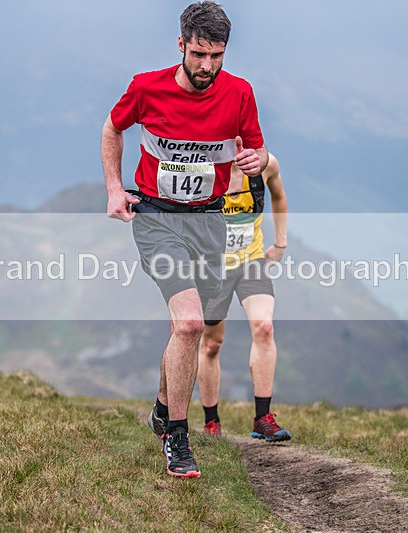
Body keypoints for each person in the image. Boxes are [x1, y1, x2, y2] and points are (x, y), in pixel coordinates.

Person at [101, 1, 267, 478]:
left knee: (188, 328)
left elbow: (255, 146)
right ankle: (177, 437)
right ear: (181, 45)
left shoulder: (239, 94)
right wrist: (115, 188)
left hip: (209, 222)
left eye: (217, 56)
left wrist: (256, 159)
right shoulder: (147, 87)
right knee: (191, 324)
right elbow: (113, 127)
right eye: (198, 54)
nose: (207, 67)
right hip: (157, 218)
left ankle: (160, 405)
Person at [198, 154, 292, 442]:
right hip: (212, 268)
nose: (238, 144)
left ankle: (263, 417)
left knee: (264, 327)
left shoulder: (266, 165)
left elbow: (279, 196)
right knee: (212, 344)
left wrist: (280, 243)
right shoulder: (205, 168)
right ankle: (211, 421)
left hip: (252, 263)